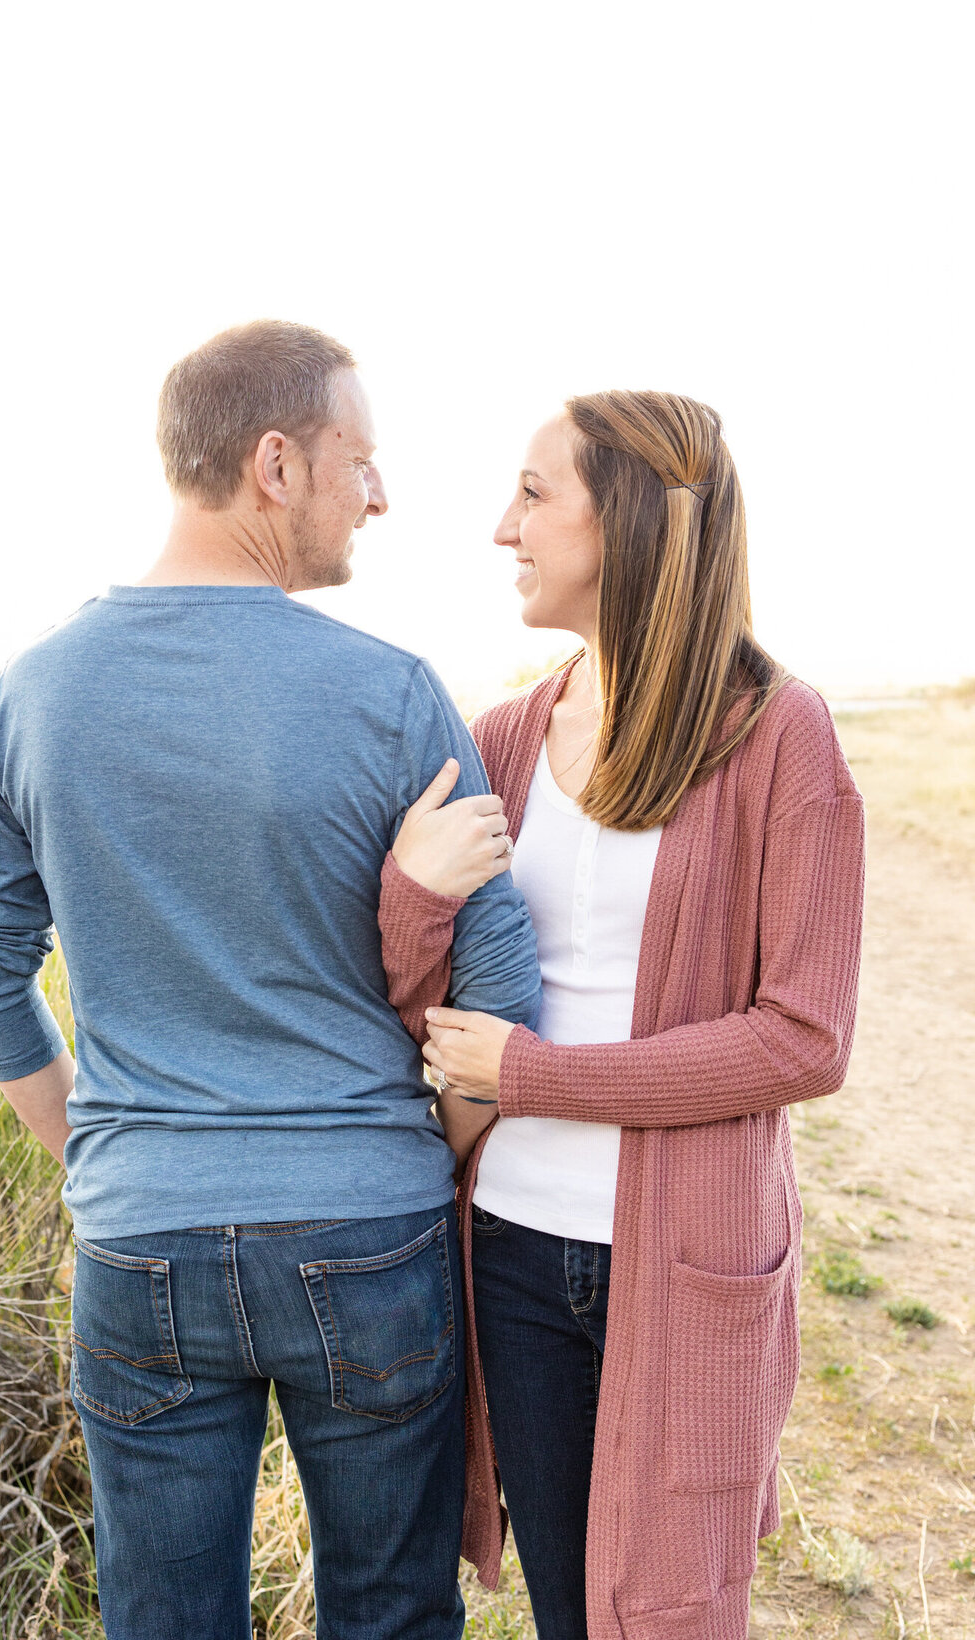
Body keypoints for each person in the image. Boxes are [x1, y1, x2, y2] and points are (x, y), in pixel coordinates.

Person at [0, 321, 542, 1640]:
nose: (378, 494)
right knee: (388, 1613)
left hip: (139, 1233)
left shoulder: (31, 695)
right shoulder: (393, 695)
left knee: (163, 1618)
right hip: (369, 1228)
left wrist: (104, 1155)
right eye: (359, 460)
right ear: (276, 462)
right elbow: (499, 995)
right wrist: (412, 1151)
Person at [378, 391, 865, 1640]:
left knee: (671, 1614)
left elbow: (806, 1038)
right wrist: (410, 896)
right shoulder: (499, 737)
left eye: (535, 494)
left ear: (633, 519)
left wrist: (545, 1078)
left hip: (689, 1261)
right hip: (517, 1252)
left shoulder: (776, 736)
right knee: (565, 1613)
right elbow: (408, 994)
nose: (504, 528)